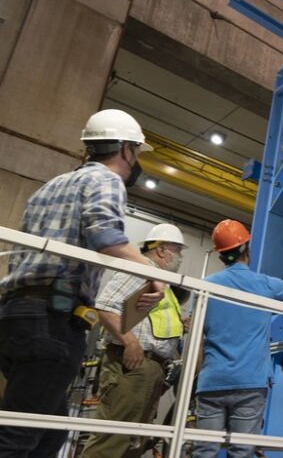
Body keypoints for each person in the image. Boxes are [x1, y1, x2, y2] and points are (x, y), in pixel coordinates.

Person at [0, 109, 165, 457]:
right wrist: (153, 272)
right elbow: (105, 235)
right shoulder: (106, 181)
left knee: (49, 434)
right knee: (18, 437)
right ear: (126, 149)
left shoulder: (50, 186)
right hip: (53, 320)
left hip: (16, 315)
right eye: (136, 151)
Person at [192, 220, 283, 458]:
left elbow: (197, 339)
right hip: (250, 383)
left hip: (211, 382)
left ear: (220, 255)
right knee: (242, 451)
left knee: (204, 451)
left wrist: (198, 378)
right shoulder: (263, 284)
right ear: (246, 248)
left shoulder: (204, 286)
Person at [81, 223, 188, 458]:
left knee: (132, 442)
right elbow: (106, 305)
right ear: (161, 250)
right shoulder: (143, 269)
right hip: (133, 364)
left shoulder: (160, 280)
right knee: (112, 439)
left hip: (149, 368)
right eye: (177, 250)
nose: (179, 257)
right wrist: (130, 342)